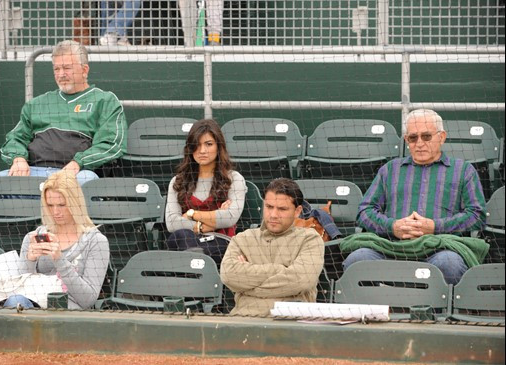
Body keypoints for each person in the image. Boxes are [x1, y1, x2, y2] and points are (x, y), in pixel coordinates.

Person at [342, 109, 487, 285]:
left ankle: (438, 312)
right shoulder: (390, 170)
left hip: (439, 248)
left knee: (449, 263)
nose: (419, 143)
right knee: (357, 260)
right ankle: (372, 313)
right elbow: (364, 211)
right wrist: (393, 226)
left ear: (441, 137)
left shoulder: (463, 171)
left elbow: (476, 216)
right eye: (413, 138)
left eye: (426, 136)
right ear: (406, 140)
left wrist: (435, 227)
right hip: (391, 247)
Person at [0, 40, 127, 193]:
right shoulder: (38, 103)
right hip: (33, 172)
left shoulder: (105, 101)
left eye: (67, 68)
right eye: (56, 69)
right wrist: (18, 159)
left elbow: (111, 145)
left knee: (82, 184)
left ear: (84, 70)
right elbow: (15, 139)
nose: (61, 74)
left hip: (78, 174)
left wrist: (78, 163)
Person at [2, 170, 110, 310]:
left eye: (61, 205)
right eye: (50, 205)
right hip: (33, 307)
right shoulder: (34, 237)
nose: (55, 212)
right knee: (15, 301)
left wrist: (59, 259)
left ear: (75, 204)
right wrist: (30, 260)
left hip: (69, 312)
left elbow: (87, 300)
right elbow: (20, 288)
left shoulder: (96, 241)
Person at [220, 178, 325, 317]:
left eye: (282, 209)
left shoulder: (310, 239)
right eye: (269, 207)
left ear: (297, 211)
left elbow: (300, 281)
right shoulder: (243, 239)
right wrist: (279, 269)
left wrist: (248, 287)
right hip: (243, 320)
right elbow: (229, 275)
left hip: (292, 323)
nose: (273, 215)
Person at [165, 119, 246, 264]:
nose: (202, 150)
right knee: (180, 235)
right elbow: (172, 223)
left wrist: (191, 215)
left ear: (219, 146)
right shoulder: (177, 181)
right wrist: (209, 223)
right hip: (187, 241)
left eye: (208, 144)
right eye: (197, 145)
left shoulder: (234, 179)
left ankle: (194, 267)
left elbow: (230, 217)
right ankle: (197, 264)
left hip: (220, 243)